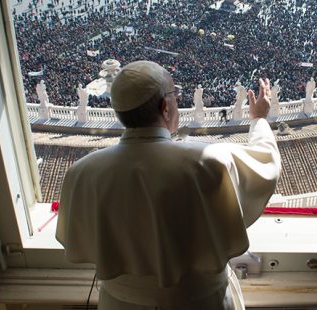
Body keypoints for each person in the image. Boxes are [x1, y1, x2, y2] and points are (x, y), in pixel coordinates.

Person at [56, 60, 281, 309]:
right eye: (175, 94)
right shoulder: (210, 161)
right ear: (165, 107)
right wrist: (258, 119)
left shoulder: (81, 174)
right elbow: (266, 161)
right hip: (201, 303)